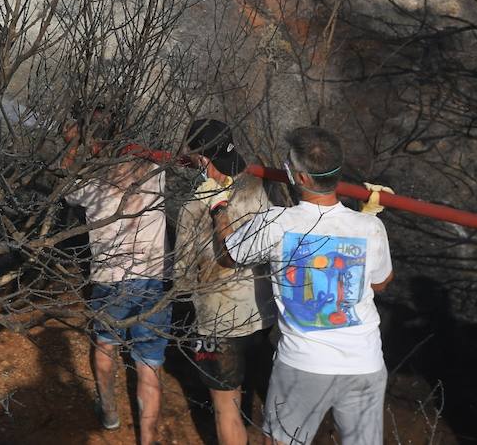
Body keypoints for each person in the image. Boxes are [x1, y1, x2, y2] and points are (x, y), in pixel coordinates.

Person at [213, 127, 394, 445]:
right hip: (365, 363)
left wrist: (218, 209)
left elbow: (228, 255)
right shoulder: (369, 226)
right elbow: (380, 283)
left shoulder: (276, 223)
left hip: (304, 364)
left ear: (301, 177)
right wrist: (366, 224)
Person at [62, 107, 169, 445]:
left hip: (110, 280)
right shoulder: (155, 171)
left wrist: (72, 144)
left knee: (105, 344)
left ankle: (109, 411)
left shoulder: (91, 183)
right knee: (149, 365)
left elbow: (65, 182)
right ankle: (147, 439)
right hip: (153, 278)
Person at [175, 119, 276, 445]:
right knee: (266, 400)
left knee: (225, 407)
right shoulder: (259, 189)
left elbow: (181, 276)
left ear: (203, 159)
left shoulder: (194, 205)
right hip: (264, 317)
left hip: (216, 325)